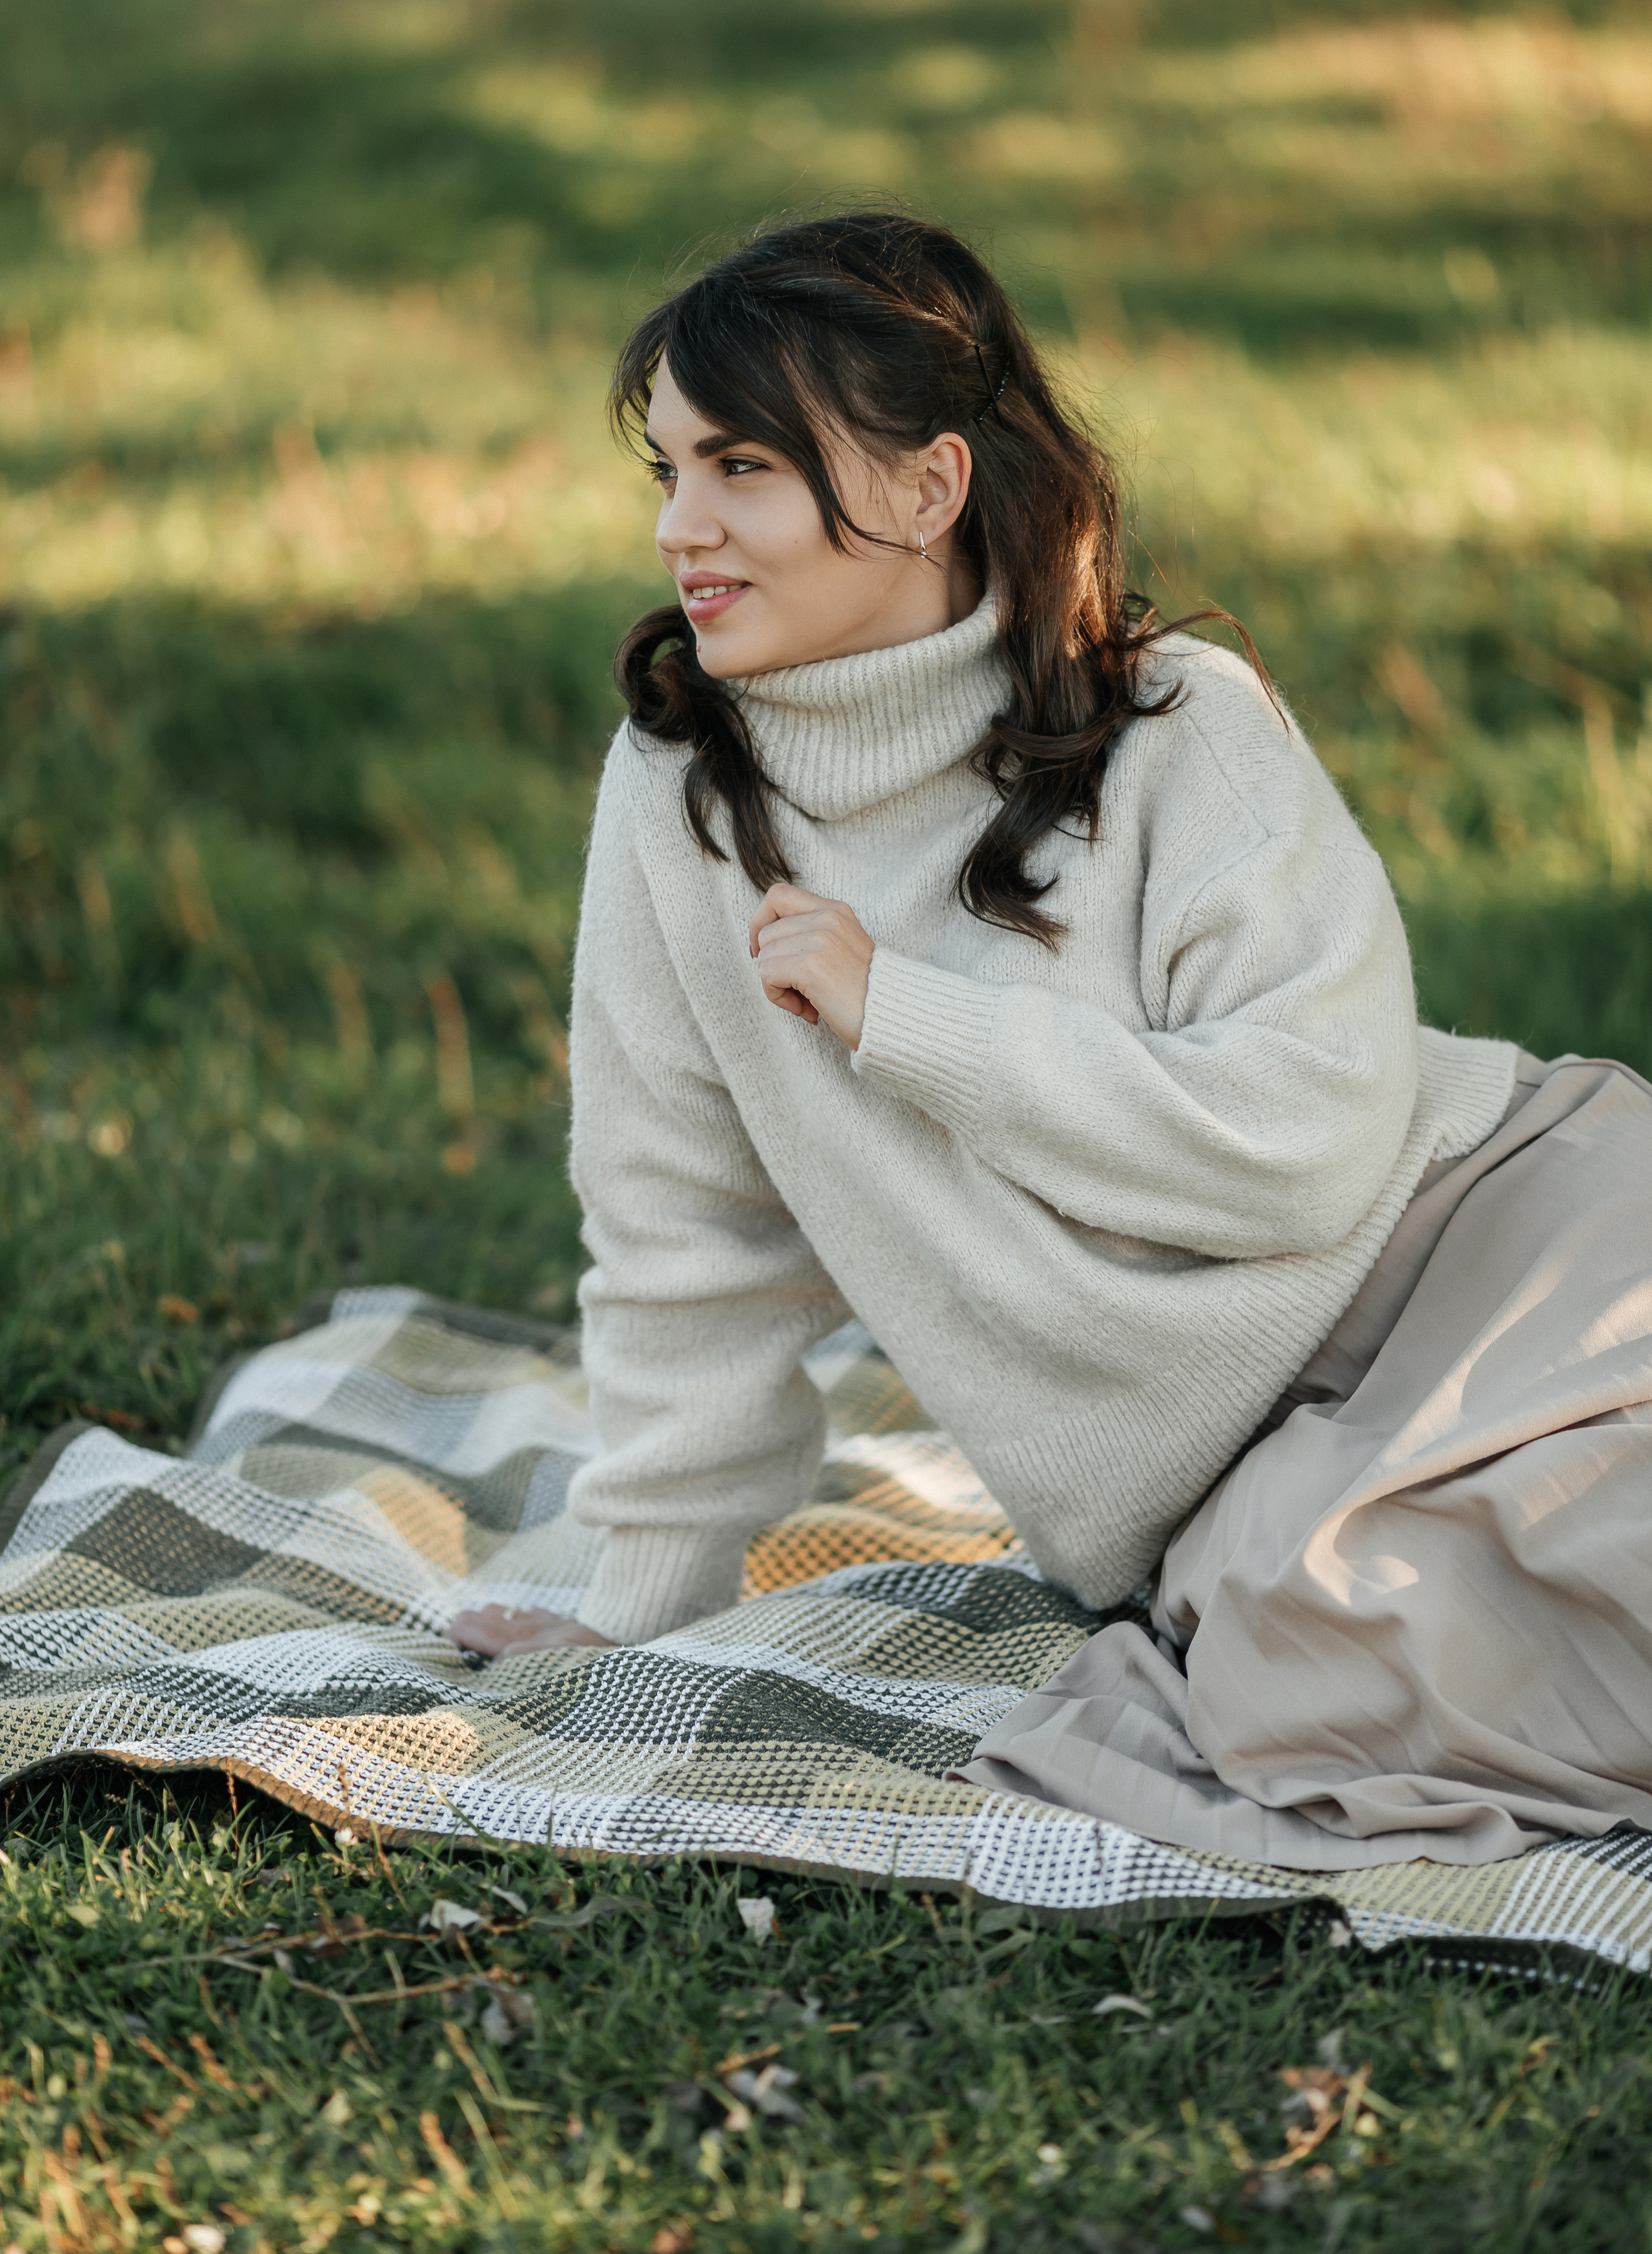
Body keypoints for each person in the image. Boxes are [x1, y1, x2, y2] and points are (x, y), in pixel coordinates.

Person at [450, 210, 1652, 1870]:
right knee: (1315, 1678)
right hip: (1250, 1472)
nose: (680, 529)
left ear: (928, 487)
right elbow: (684, 1235)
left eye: (739, 469)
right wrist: (638, 1604)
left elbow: (1311, 1145)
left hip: (1502, 1252)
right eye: (663, 471)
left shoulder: (1179, 727)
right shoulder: (677, 805)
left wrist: (909, 1020)